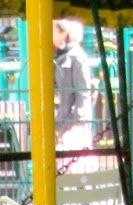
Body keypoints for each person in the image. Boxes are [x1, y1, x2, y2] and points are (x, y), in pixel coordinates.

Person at [53, 19, 96, 169]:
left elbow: (83, 92)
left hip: (74, 121)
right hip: (64, 118)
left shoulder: (76, 57)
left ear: (64, 32)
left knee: (73, 163)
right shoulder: (59, 56)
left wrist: (79, 119)